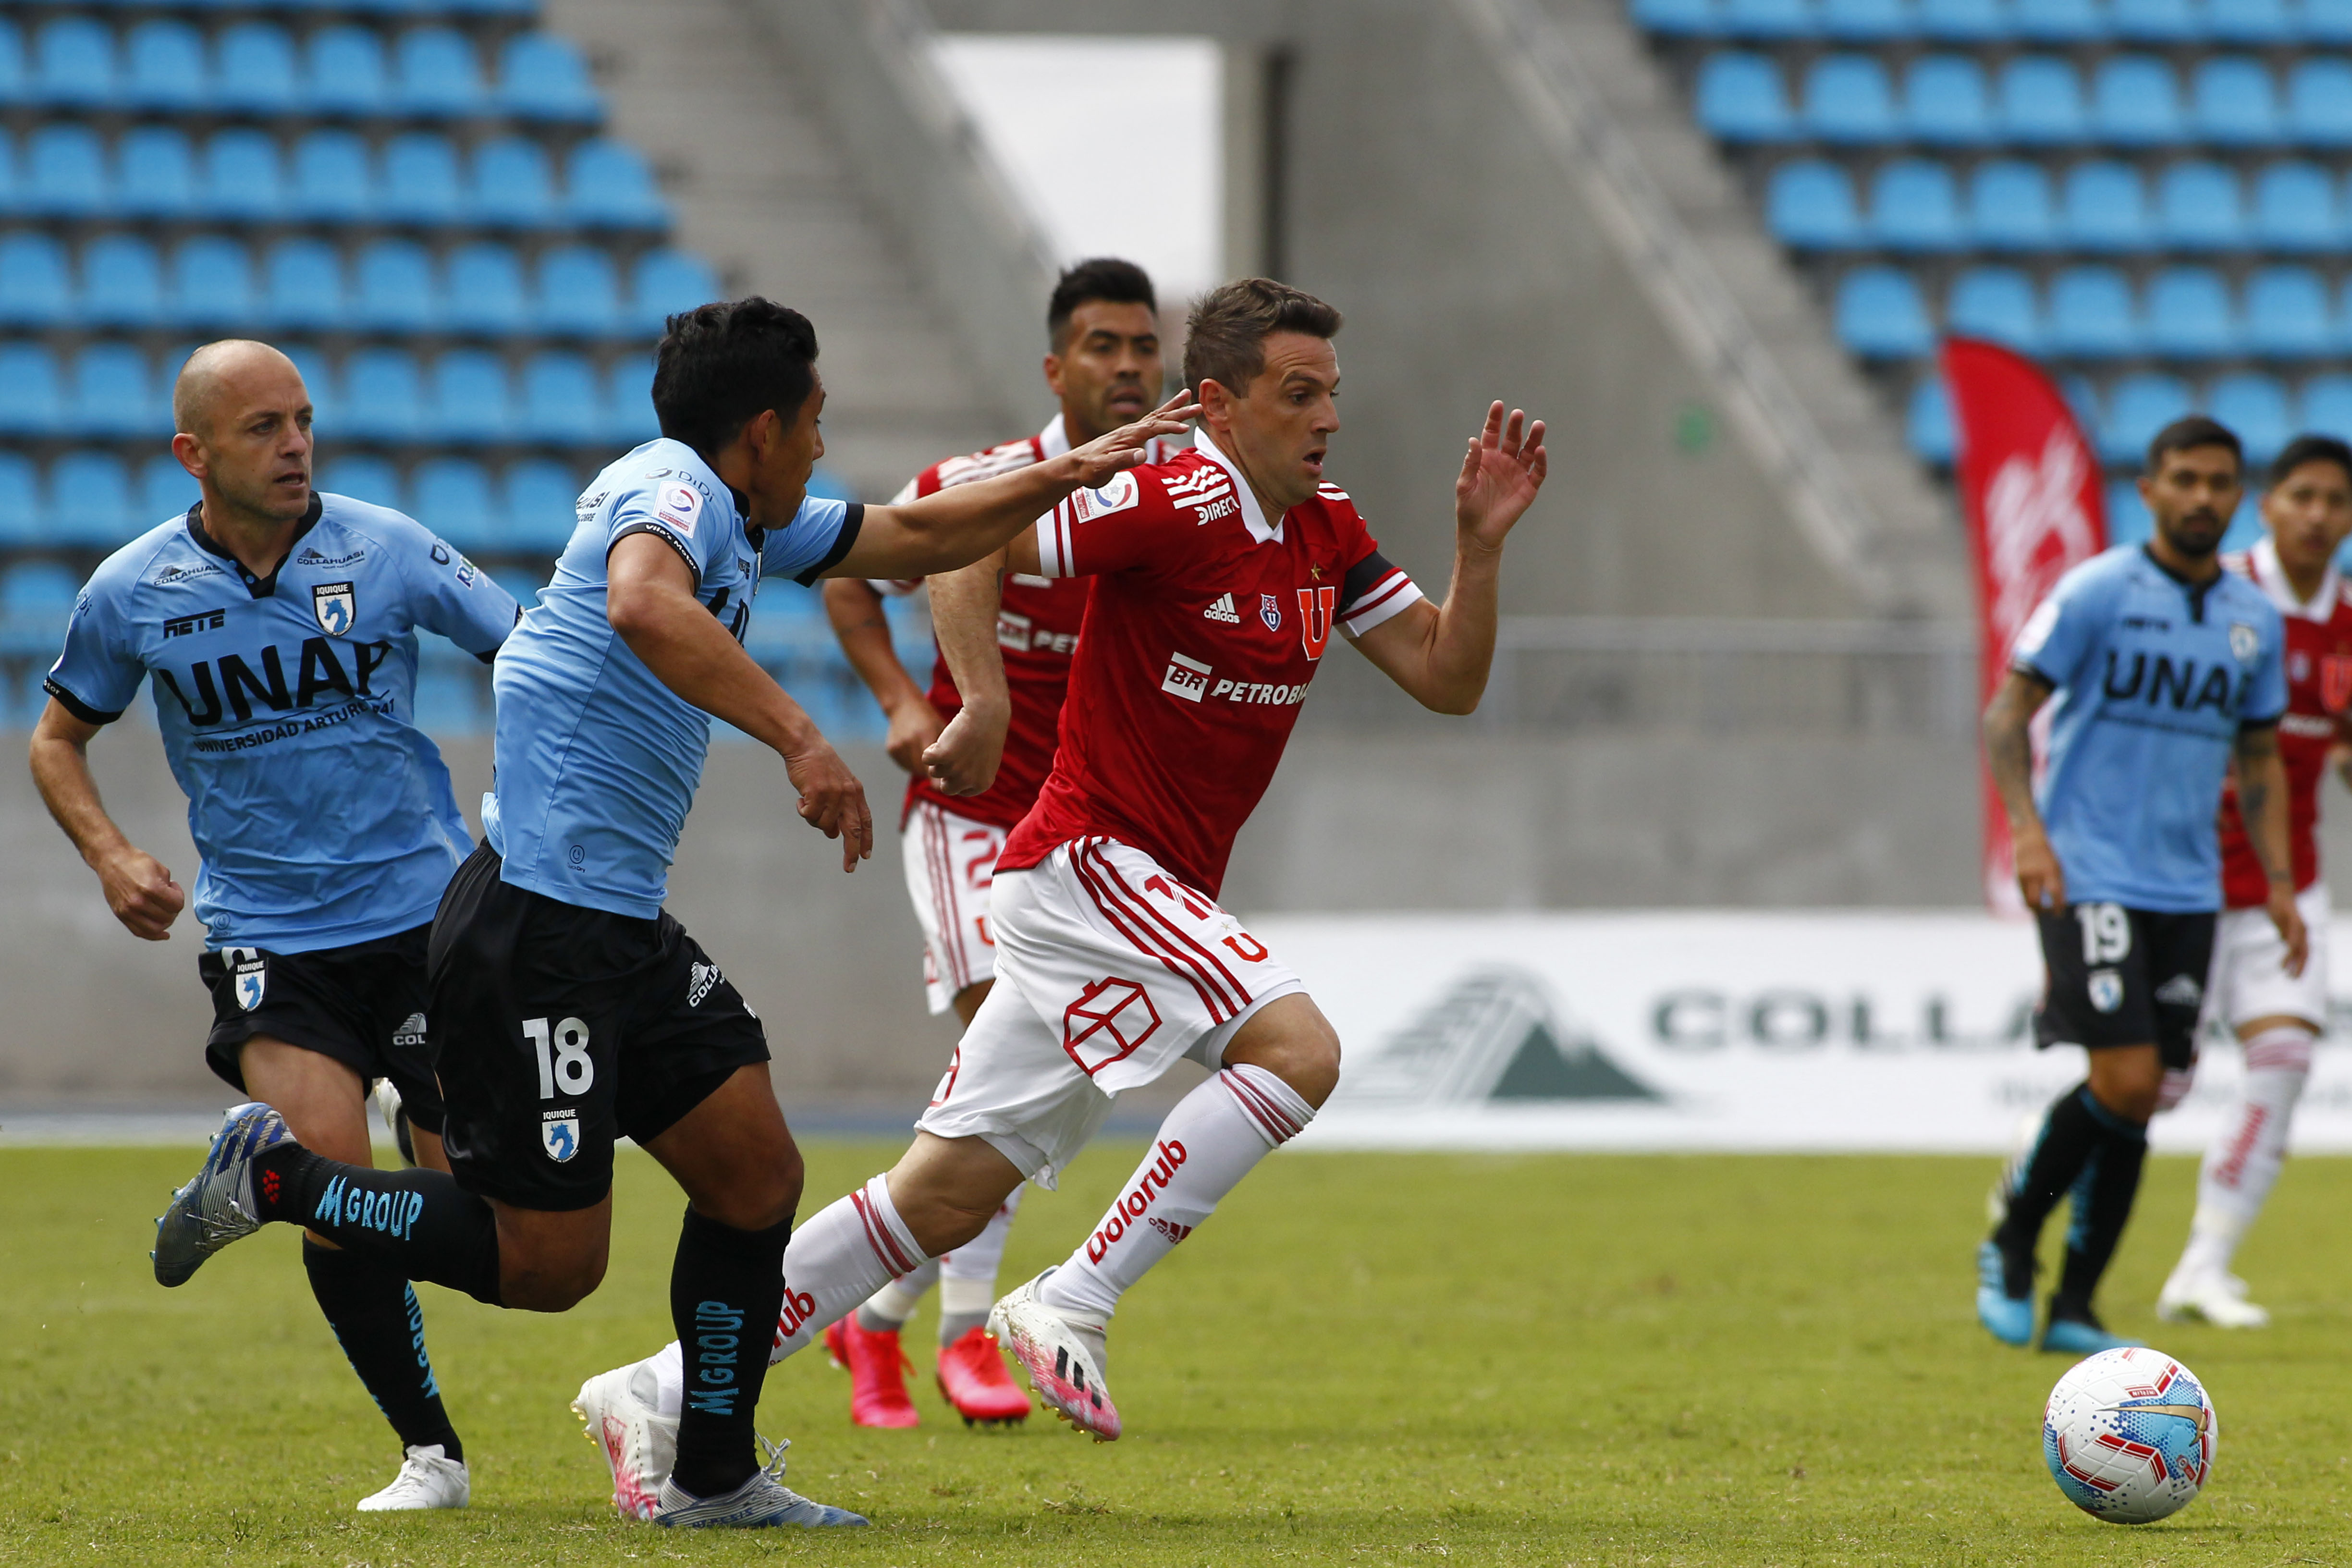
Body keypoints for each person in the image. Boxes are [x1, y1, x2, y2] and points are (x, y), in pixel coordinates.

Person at [146, 299, 1196, 1529]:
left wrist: (1067, 473)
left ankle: (712, 1475)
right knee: (551, 1269)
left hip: (617, 926)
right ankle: (280, 1184)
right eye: (814, 422)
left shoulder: (750, 513)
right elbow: (644, 602)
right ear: (764, 428)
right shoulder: (677, 491)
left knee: (756, 1175)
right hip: (537, 929)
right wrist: (806, 739)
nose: (822, 444)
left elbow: (910, 531)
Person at [583, 275, 1546, 1480]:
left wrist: (1477, 549)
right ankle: (1074, 1301)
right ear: (1219, 406)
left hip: (1119, 888)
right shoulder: (1170, 499)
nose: (1326, 420)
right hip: (1094, 860)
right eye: (1298, 395)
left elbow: (1448, 679)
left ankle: (656, 1392)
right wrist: (978, 696)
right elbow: (964, 541)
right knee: (1300, 1054)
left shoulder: (1326, 529)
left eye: (1332, 396)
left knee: (935, 1202)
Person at [30, 341, 520, 1510]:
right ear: (193, 455)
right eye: (263, 427)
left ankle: (289, 1168)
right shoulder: (133, 590)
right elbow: (57, 739)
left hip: (427, 919)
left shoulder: (387, 547)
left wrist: (532, 814)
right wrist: (110, 856)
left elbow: (532, 650)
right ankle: (431, 1458)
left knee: (501, 1234)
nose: (296, 444)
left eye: (302, 420)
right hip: (270, 935)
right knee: (335, 1186)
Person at [816, 257, 1177, 1430]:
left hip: (1076, 844)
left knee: (1015, 1094)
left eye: (1143, 347)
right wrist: (902, 706)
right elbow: (847, 578)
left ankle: (868, 1326)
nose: (1128, 368)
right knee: (1002, 1049)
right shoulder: (979, 488)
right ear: (1056, 367)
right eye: (1105, 346)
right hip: (968, 823)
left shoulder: (1162, 509)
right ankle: (969, 1338)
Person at [1976, 416, 2298, 1355]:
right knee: (2125, 1076)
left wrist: (2277, 882)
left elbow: (2262, 759)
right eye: (2185, 479)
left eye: (2220, 482)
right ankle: (2011, 1236)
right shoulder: (2096, 593)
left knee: (2146, 1092)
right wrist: (2029, 835)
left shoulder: (2254, 621)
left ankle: (2077, 1300)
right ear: (2150, 489)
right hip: (2090, 869)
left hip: (2190, 887)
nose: (2203, 497)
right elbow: (2007, 715)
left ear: (2238, 497)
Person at [2155, 434, 2352, 1328]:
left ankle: (2202, 1267)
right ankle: (2028, 1190)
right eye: (2302, 496)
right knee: (2153, 1085)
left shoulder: (2348, 621)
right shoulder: (2219, 596)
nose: (2318, 515)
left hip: (2288, 885)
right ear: (2267, 505)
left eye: (2336, 502)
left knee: (2283, 1063)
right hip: (2180, 879)